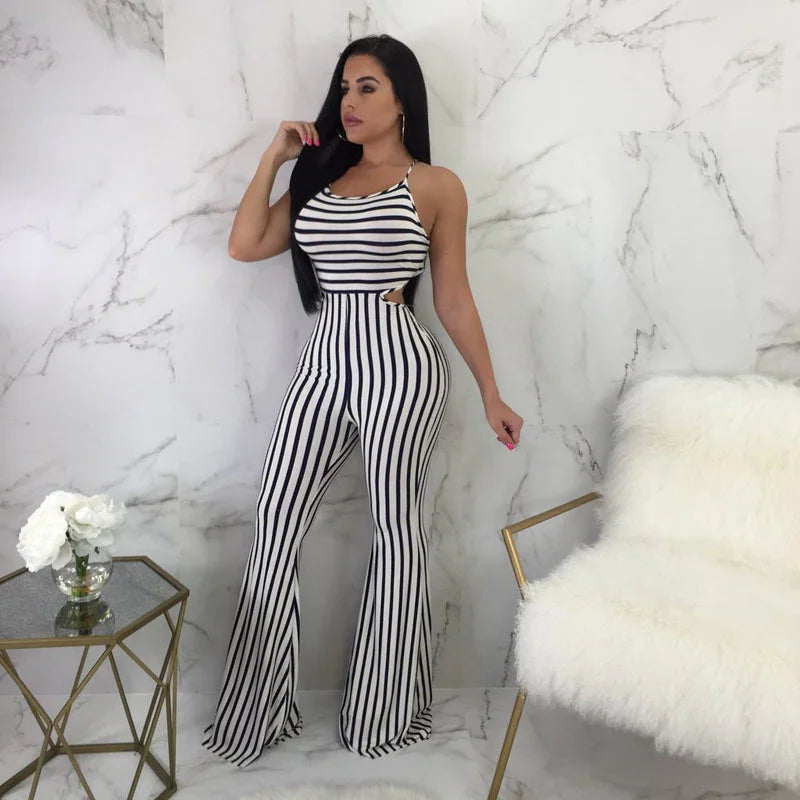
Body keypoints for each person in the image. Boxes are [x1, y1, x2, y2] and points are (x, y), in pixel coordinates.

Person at [201, 33, 524, 768]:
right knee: (275, 520)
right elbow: (246, 245)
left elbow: (453, 296)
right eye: (344, 87)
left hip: (400, 365)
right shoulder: (319, 175)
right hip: (323, 362)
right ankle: (255, 715)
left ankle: (382, 714)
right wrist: (274, 157)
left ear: (403, 99)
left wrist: (490, 391)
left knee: (395, 528)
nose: (349, 100)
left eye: (367, 87)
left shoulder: (435, 185)